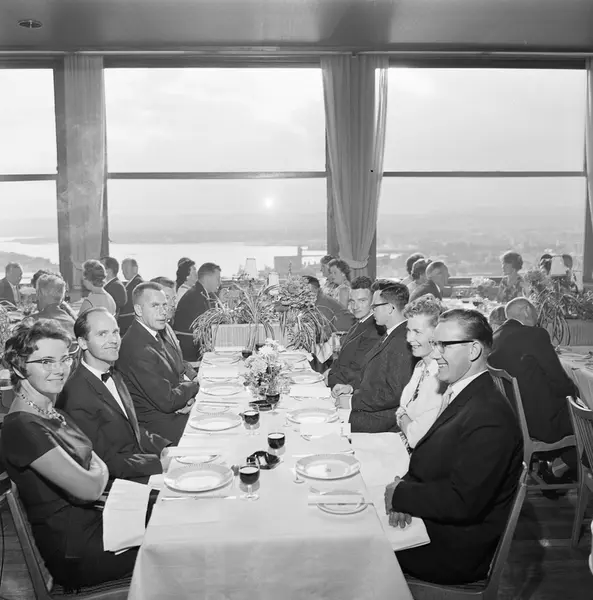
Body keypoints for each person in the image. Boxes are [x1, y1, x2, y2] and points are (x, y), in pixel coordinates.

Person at [386, 309, 523, 585]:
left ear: (473, 350)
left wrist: (401, 495)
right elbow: (437, 462)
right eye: (434, 344)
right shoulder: (464, 392)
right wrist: (404, 490)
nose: (435, 353)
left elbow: (463, 502)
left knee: (356, 541)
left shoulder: (489, 416)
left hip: (452, 550)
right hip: (436, 525)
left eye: (444, 345)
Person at [1, 320, 139, 588]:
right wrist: (99, 470)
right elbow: (89, 488)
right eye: (46, 362)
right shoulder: (22, 428)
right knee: (175, 544)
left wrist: (96, 471)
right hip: (78, 550)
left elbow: (93, 468)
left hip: (98, 520)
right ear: (19, 367)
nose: (59, 369)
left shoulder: (52, 410)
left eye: (64, 359)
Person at [59, 308, 170, 482]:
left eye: (115, 332)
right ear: (83, 342)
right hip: (119, 481)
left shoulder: (114, 373)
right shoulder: (76, 395)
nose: (113, 340)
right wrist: (158, 465)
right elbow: (103, 461)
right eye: (102, 334)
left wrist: (163, 447)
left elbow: (132, 429)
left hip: (138, 462)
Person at [489, 297, 576, 483]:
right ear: (527, 311)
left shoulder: (495, 337)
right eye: (535, 311)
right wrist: (576, 396)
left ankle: (557, 466)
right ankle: (560, 466)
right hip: (539, 423)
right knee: (587, 419)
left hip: (512, 418)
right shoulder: (535, 335)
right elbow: (559, 380)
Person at [118, 282, 199, 442]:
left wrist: (189, 399)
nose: (163, 312)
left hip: (173, 411)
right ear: (138, 310)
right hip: (159, 427)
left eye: (164, 305)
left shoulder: (152, 332)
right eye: (155, 306)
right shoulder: (137, 347)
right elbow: (168, 401)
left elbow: (175, 371)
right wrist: (195, 385)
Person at [334, 283, 414, 433]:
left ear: (389, 308)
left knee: (324, 423)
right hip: (371, 408)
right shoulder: (390, 333)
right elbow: (372, 376)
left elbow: (393, 393)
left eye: (375, 306)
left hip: (381, 419)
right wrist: (351, 388)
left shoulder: (402, 341)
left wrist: (352, 401)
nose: (372, 311)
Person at [396, 295, 446, 448]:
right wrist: (404, 417)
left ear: (437, 334)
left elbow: (415, 438)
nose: (409, 339)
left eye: (417, 332)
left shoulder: (442, 376)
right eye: (408, 330)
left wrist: (402, 415)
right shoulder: (420, 366)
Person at [327, 276, 383, 390]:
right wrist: (329, 372)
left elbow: (358, 371)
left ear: (374, 301)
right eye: (352, 301)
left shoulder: (375, 331)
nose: (355, 307)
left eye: (362, 301)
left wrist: (330, 377)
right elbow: (342, 360)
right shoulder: (359, 323)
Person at [174, 262, 221, 361]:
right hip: (191, 351)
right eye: (217, 279)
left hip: (194, 345)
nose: (219, 283)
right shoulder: (196, 297)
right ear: (208, 278)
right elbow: (205, 327)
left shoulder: (199, 292)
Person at [118, 258, 143, 335]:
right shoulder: (130, 283)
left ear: (135, 269)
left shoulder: (138, 283)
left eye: (126, 268)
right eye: (122, 269)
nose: (123, 272)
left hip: (129, 322)